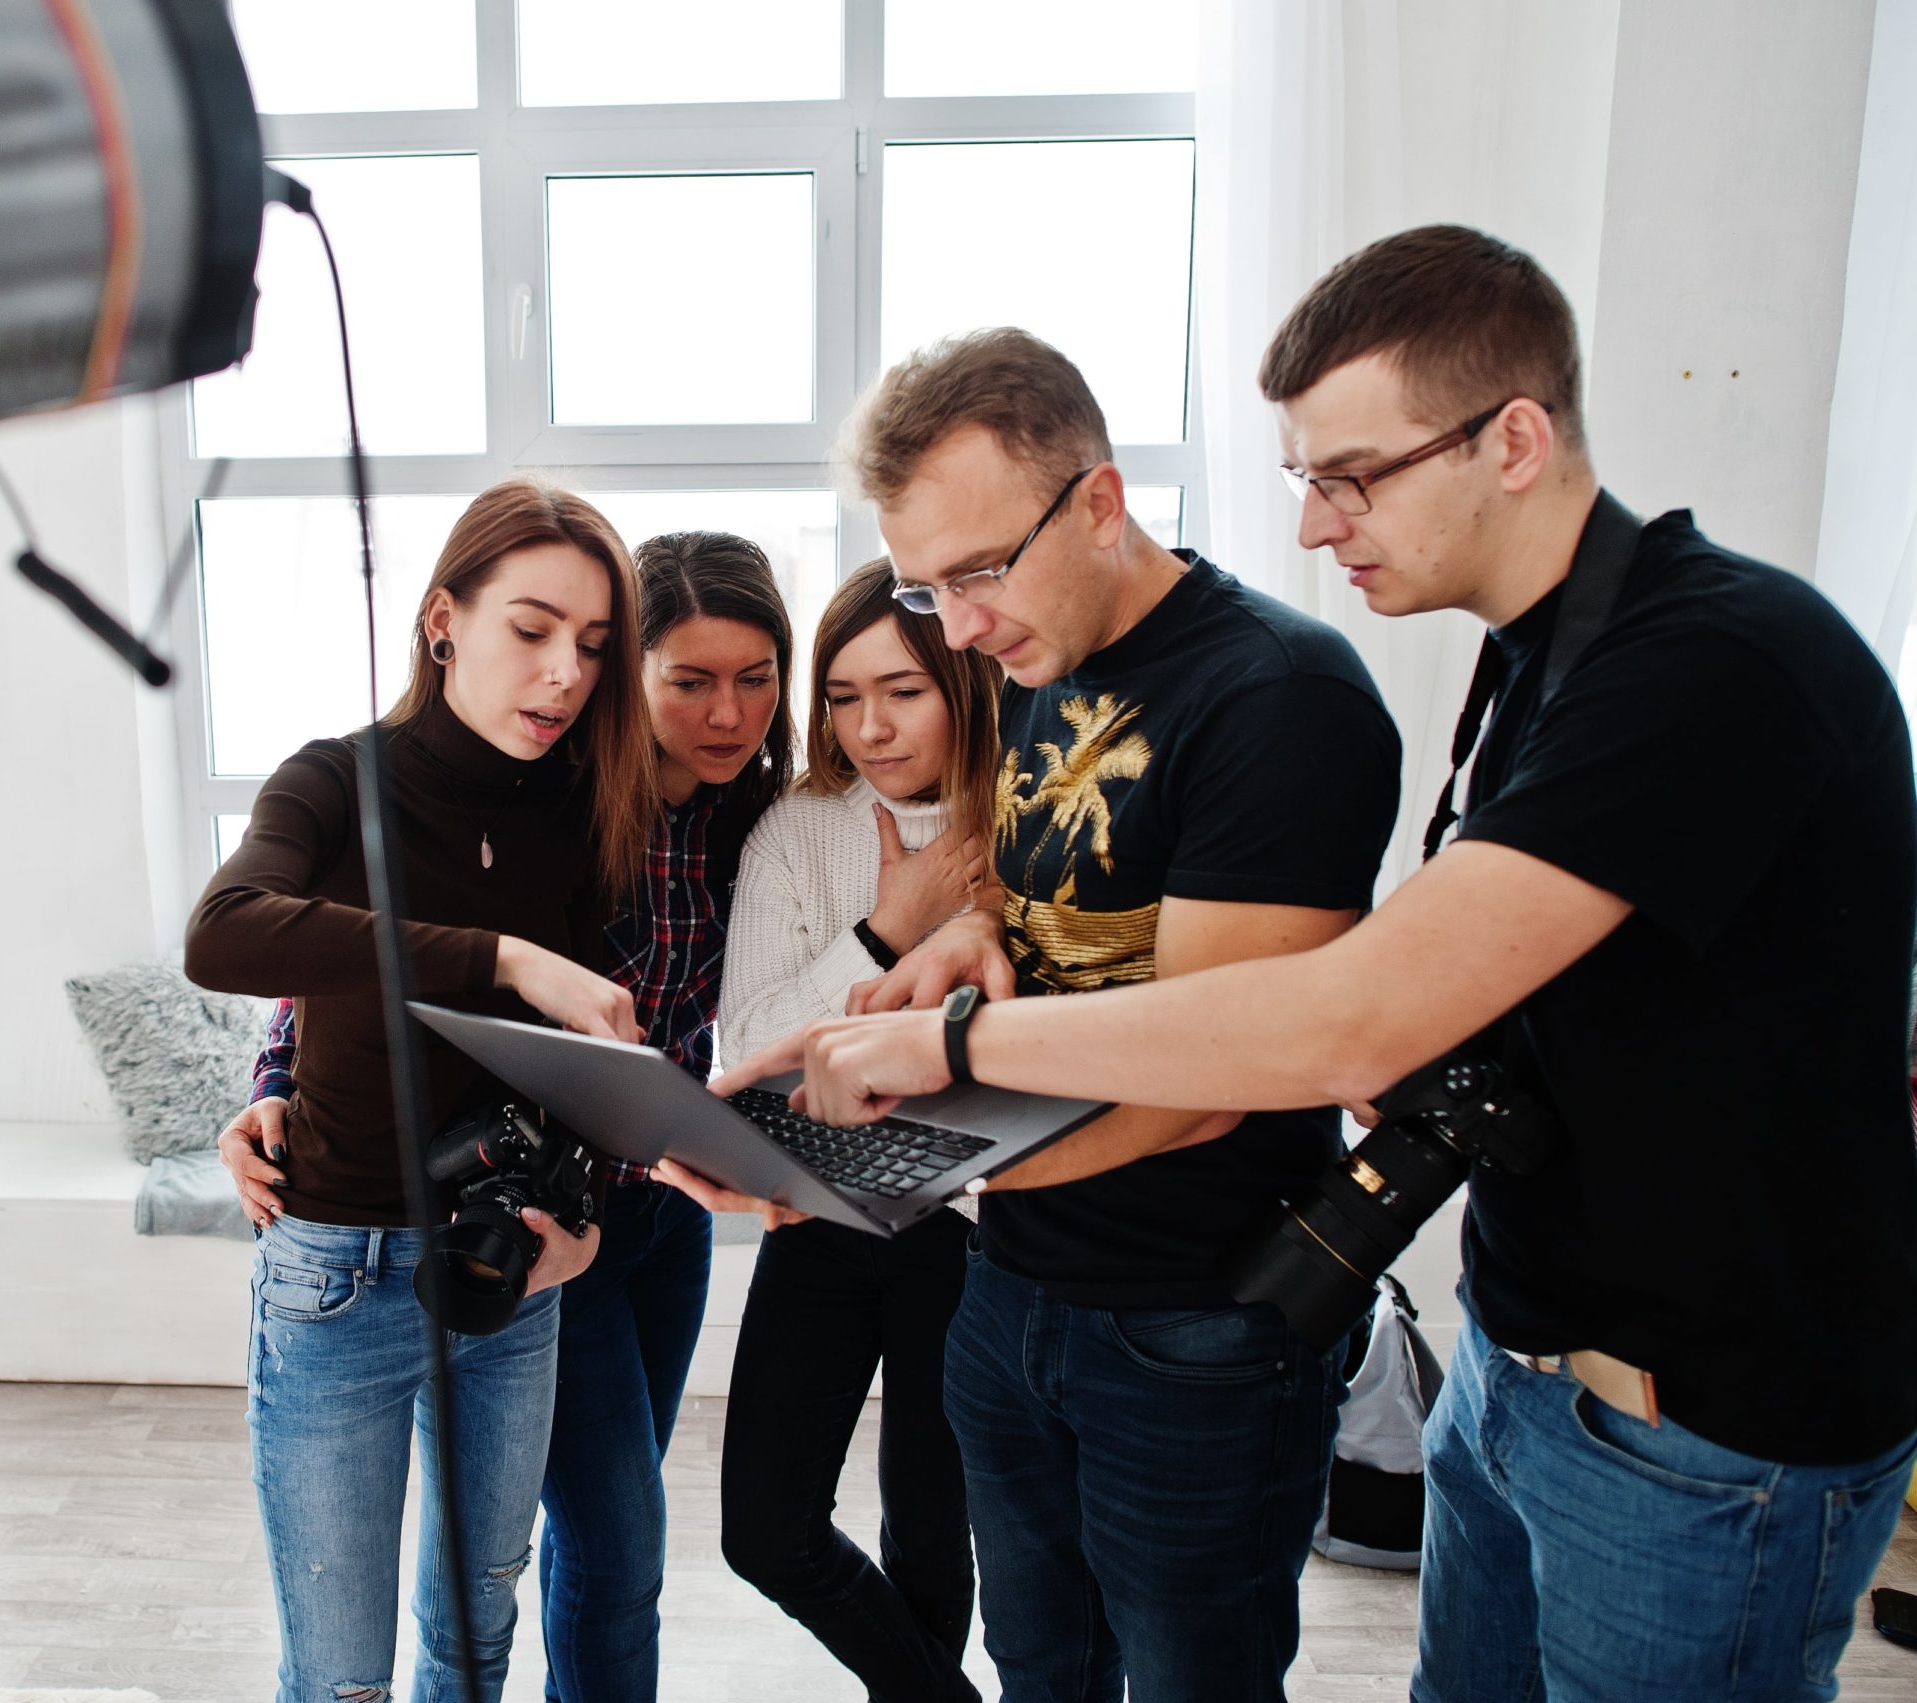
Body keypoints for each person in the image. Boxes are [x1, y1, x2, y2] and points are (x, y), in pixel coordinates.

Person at [720, 227, 1917, 1703]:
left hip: (1701, 1418)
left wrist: (936, 1073)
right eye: (1302, 479)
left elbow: (1344, 1019)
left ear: (1515, 438)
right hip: (1524, 1355)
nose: (1312, 525)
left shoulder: (1710, 659)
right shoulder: (1545, 653)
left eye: (1350, 476)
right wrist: (973, 940)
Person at [668, 324, 1405, 1702]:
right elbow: (1041, 894)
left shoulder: (1276, 698)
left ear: (1104, 502)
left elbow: (1214, 1071)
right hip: (1014, 1294)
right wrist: (936, 950)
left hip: (1194, 1322)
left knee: (1190, 1676)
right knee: (1040, 1666)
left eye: (980, 571)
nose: (957, 626)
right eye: (920, 583)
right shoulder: (1044, 664)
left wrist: (883, 1154)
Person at [219, 530, 799, 1703]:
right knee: (601, 1543)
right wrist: (274, 1079)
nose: (726, 712)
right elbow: (318, 944)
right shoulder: (540, 802)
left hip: (636, 1220)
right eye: (687, 678)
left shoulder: (759, 823)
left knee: (525, 1579)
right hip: (489, 1221)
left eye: (756, 677)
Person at [186, 478, 654, 1703]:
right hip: (337, 1266)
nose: (563, 674)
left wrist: (587, 1218)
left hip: (513, 1271)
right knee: (341, 1674)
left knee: (475, 1634)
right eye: (532, 629)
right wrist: (500, 956)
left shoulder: (592, 805)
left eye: (594, 648)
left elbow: (601, 1062)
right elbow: (226, 936)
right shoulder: (336, 778)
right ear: (444, 618)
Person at [713, 558, 1000, 1703]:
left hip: (973, 1221)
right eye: (841, 696)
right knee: (763, 1526)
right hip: (822, 1205)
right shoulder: (800, 829)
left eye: (903, 691)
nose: (870, 726)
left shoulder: (1025, 812)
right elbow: (752, 1045)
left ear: (964, 680)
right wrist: (888, 928)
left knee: (933, 1532)